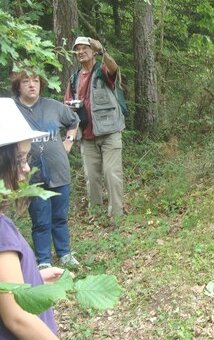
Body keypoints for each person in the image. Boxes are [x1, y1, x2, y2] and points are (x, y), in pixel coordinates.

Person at [0, 97, 64, 339]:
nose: (26, 168)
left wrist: (33, 278)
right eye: (19, 160)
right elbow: (17, 317)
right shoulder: (1, 232)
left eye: (27, 158)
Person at [11, 70, 80, 270]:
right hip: (30, 171)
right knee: (40, 219)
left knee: (59, 216)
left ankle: (64, 254)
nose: (32, 85)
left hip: (58, 169)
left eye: (36, 81)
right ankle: (43, 261)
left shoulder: (53, 106)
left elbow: (74, 121)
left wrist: (69, 141)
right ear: (18, 86)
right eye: (26, 81)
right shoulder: (11, 109)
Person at [64, 37, 125, 223]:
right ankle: (96, 215)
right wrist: (70, 108)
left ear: (92, 51)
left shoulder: (102, 70)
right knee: (91, 177)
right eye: (77, 49)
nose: (81, 52)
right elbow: (66, 104)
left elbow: (114, 69)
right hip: (86, 136)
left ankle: (117, 215)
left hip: (109, 132)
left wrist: (103, 51)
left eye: (84, 48)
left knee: (111, 173)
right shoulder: (74, 78)